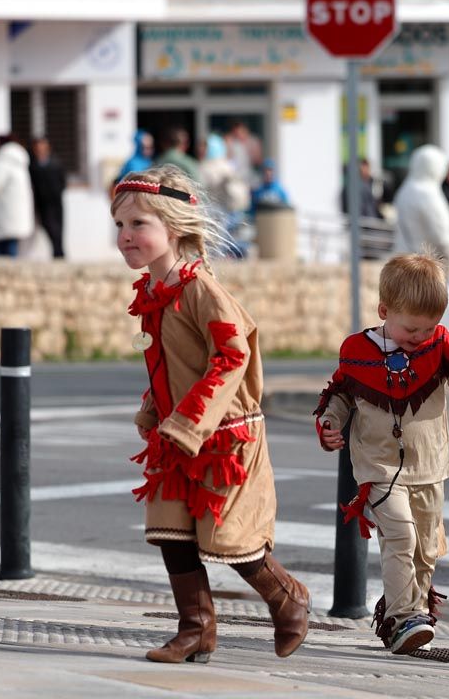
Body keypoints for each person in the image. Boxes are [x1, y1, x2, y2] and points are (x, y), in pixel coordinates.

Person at [112, 165, 309, 664]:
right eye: (119, 226)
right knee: (170, 533)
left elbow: (231, 357)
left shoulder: (202, 290)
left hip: (223, 437)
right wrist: (154, 409)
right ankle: (195, 628)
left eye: (138, 224)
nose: (126, 236)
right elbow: (171, 364)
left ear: (174, 227)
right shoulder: (154, 294)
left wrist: (189, 420)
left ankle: (287, 600)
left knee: (231, 540)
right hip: (177, 435)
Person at [314, 253, 449, 654]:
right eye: (411, 328)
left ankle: (407, 618)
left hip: (429, 465)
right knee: (400, 534)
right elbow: (341, 394)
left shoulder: (440, 345)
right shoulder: (357, 349)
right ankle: (404, 618)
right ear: (384, 311)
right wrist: (329, 422)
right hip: (377, 467)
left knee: (425, 549)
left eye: (430, 327)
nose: (420, 337)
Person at [392, 145, 449, 264]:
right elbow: (441, 235)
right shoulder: (427, 193)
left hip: (405, 259)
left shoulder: (404, 190)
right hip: (427, 265)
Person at [29, 137, 66, 259]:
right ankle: (57, 252)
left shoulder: (55, 163)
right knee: (48, 227)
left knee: (57, 229)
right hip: (41, 203)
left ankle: (59, 253)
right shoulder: (33, 166)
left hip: (55, 202)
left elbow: (62, 181)